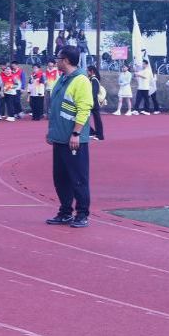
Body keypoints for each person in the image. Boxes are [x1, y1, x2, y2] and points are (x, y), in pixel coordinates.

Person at [45, 46, 94, 229]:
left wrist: (76, 133)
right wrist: (52, 132)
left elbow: (84, 108)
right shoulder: (63, 78)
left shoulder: (81, 81)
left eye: (58, 58)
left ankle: (82, 214)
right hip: (59, 138)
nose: (56, 61)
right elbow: (57, 107)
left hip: (73, 139)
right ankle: (65, 212)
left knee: (78, 178)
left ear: (65, 60)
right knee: (60, 178)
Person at [85, 66, 105, 141]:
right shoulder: (92, 79)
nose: (87, 72)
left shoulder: (94, 79)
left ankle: (99, 135)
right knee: (90, 118)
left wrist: (89, 100)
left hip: (93, 102)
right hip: (92, 102)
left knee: (97, 119)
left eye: (88, 71)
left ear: (92, 71)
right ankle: (93, 132)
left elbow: (94, 92)